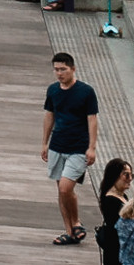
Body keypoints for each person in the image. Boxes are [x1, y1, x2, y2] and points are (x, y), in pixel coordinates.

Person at [43, 51, 100, 245]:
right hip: (57, 145)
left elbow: (92, 120)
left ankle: (76, 222)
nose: (59, 73)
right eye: (56, 69)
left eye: (63, 69)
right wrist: (44, 143)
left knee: (67, 188)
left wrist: (92, 147)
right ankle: (69, 231)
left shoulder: (86, 92)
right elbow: (49, 115)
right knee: (61, 190)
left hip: (78, 147)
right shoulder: (53, 91)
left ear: (73, 69)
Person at [96, 159, 134, 265]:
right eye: (126, 175)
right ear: (115, 175)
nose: (130, 179)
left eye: (131, 175)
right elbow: (119, 225)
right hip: (115, 249)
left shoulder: (122, 196)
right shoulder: (110, 200)